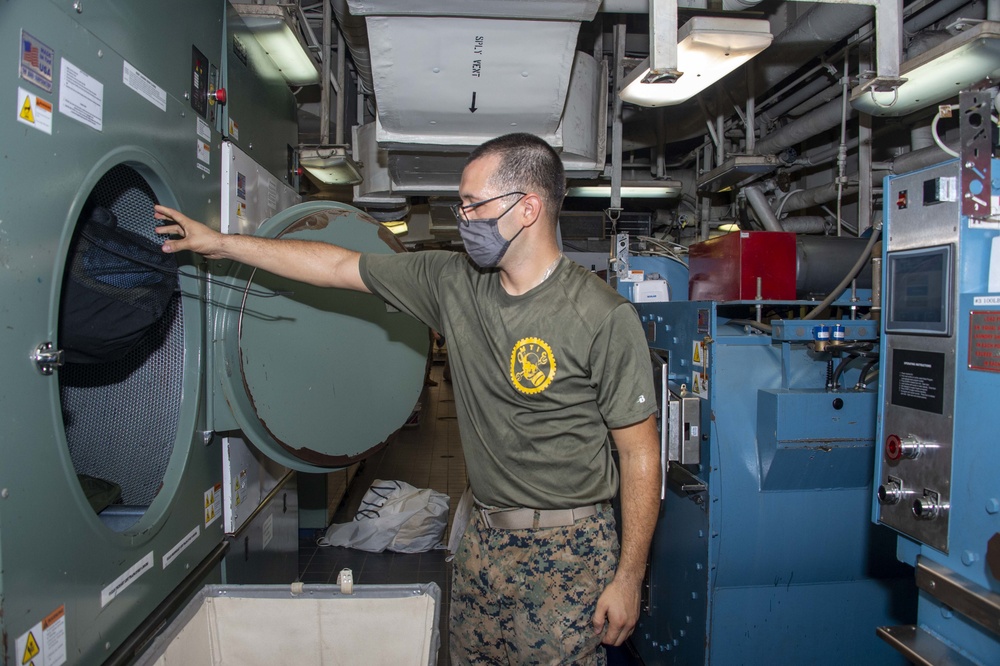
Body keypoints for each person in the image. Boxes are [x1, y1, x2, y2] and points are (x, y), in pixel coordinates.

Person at [155, 132, 660, 664]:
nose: (464, 218)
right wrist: (222, 243)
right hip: (482, 541)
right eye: (460, 205)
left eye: (474, 204)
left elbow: (640, 452)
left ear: (528, 207)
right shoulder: (452, 282)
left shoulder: (601, 316)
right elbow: (336, 267)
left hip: (570, 552)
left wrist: (629, 576)